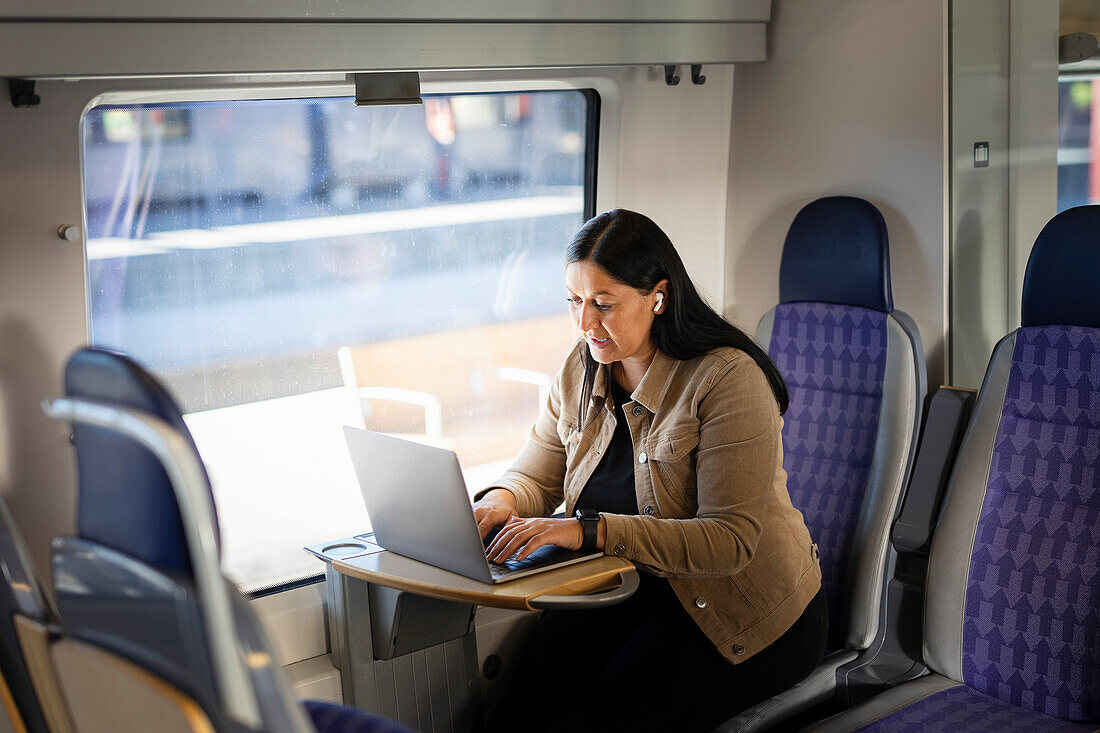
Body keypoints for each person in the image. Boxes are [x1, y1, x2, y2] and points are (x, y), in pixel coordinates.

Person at [473, 209, 826, 733]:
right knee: (513, 714)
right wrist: (500, 500)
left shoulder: (727, 379)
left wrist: (587, 530)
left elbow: (728, 542)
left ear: (658, 296)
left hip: (736, 613)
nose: (585, 323)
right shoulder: (582, 364)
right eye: (575, 302)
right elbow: (537, 474)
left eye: (603, 304)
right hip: (630, 585)